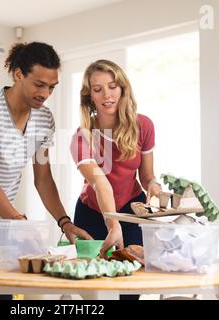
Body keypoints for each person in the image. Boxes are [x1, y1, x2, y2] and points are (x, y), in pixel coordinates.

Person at [0, 41, 92, 241]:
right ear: (19, 74)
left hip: (0, 217)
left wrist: (65, 223)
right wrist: (17, 220)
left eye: (51, 87)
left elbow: (43, 178)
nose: (45, 94)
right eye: (39, 85)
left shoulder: (44, 119)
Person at [70, 59, 162, 260]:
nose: (107, 95)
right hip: (92, 213)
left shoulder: (143, 126)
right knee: (93, 279)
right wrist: (113, 223)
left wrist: (153, 185)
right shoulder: (82, 137)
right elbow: (100, 182)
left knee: (132, 280)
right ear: (89, 96)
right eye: (97, 89)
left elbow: (146, 175)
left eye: (112, 87)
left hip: (132, 211)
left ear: (122, 89)